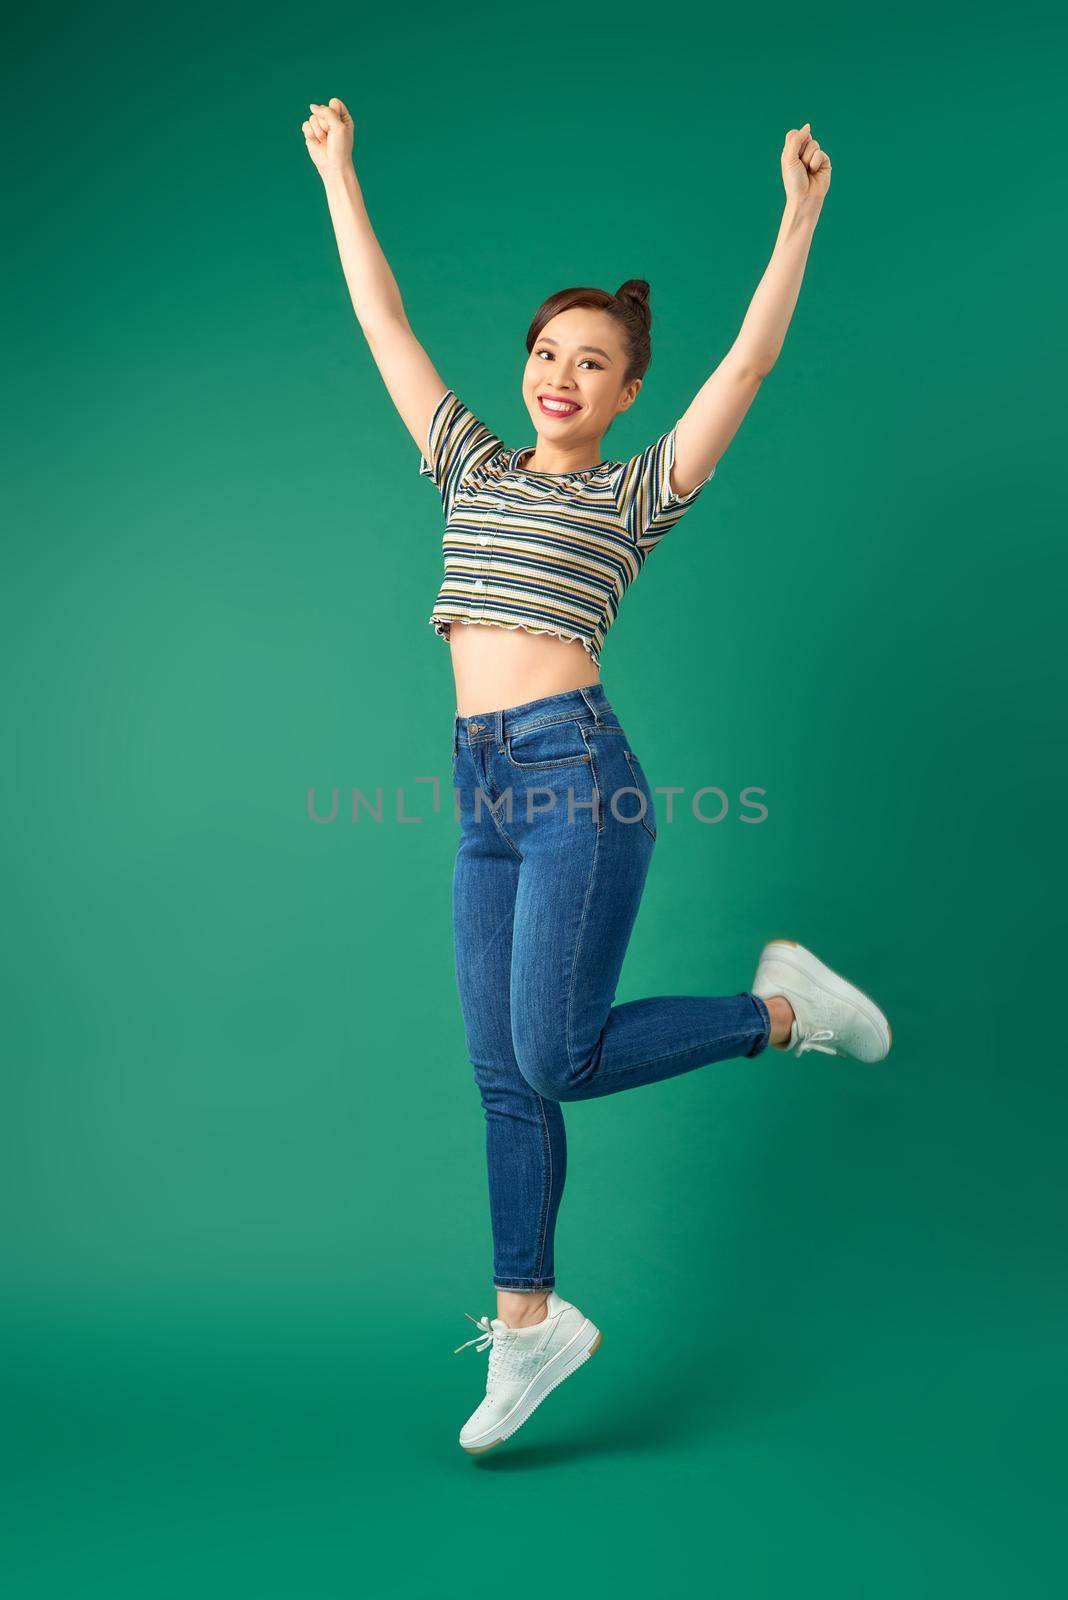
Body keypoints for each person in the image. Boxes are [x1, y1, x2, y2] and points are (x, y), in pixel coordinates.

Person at [304, 101, 892, 1455]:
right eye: (550, 353)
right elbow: (386, 322)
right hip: (484, 792)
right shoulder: (463, 463)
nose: (565, 375)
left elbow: (741, 372)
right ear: (526, 368)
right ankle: (529, 1327)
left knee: (556, 1053)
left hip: (579, 779)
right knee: (503, 1073)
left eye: (598, 364)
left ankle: (782, 1014)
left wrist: (797, 220)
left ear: (629, 393)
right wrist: (342, 171)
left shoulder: (630, 496)